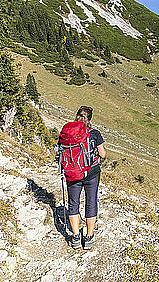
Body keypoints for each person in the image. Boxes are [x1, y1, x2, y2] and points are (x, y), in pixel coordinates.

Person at [66, 106, 106, 250]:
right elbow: (102, 154)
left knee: (73, 203)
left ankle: (76, 237)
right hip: (91, 173)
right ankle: (88, 237)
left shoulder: (68, 131)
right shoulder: (94, 133)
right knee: (91, 202)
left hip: (72, 173)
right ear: (89, 119)